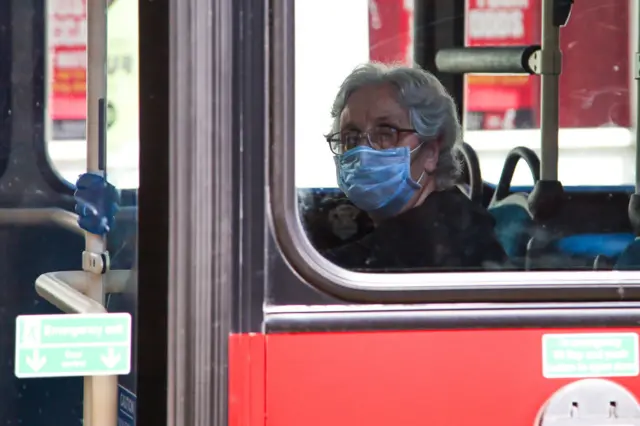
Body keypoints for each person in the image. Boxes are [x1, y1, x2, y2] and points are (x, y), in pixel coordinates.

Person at [320, 62, 507, 272]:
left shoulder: (440, 243)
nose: (363, 153)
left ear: (431, 151)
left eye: (385, 134)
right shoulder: (439, 215)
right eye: (350, 137)